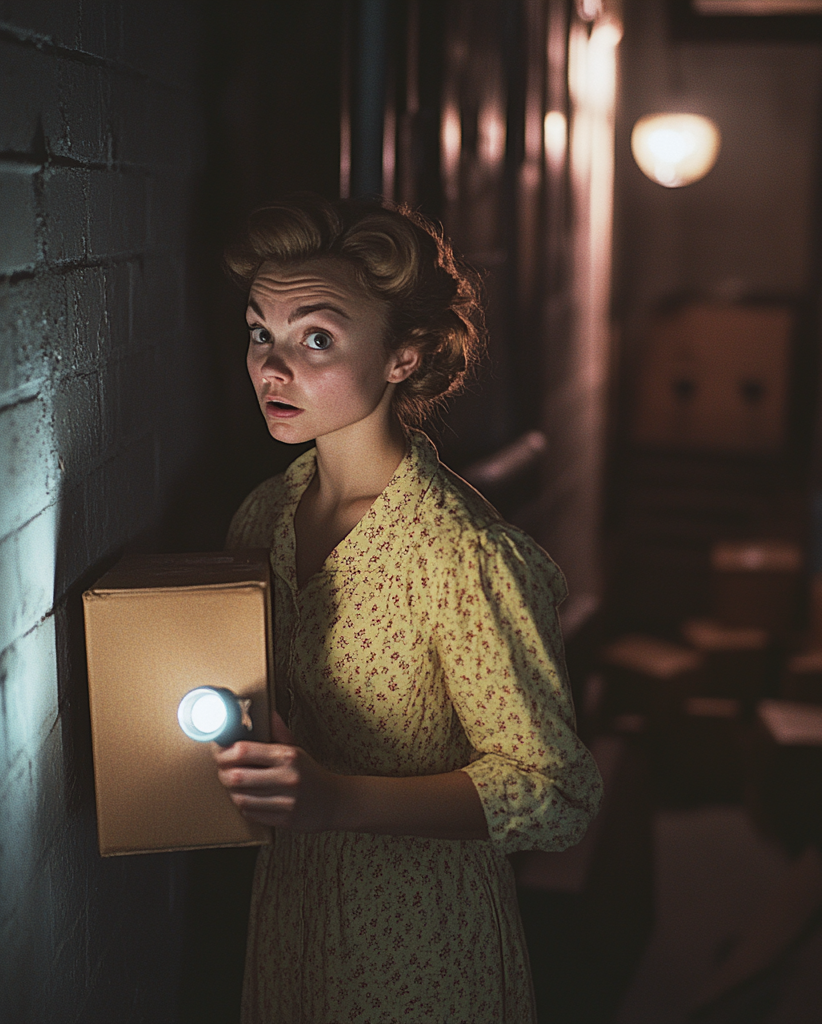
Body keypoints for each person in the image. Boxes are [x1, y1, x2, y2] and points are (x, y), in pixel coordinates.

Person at [216, 193, 602, 1023]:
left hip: (423, 948)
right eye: (260, 333)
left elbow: (556, 794)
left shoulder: (463, 557)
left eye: (316, 338)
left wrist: (336, 800)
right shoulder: (260, 520)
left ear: (402, 356)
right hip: (292, 919)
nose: (273, 368)